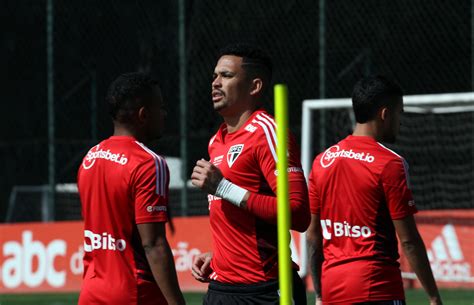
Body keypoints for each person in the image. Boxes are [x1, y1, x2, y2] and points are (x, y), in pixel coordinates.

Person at [190, 43, 310, 305]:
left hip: (265, 291)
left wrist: (223, 188)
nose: (215, 83)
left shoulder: (268, 132)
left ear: (255, 86)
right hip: (221, 287)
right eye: (214, 76)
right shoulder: (216, 141)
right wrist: (219, 257)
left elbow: (298, 213)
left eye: (226, 76)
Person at [306, 75, 443, 305]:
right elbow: (408, 241)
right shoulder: (390, 163)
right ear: (385, 114)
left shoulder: (322, 161)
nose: (401, 121)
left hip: (332, 288)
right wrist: (433, 297)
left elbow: (313, 235)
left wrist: (319, 293)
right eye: (400, 112)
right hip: (376, 287)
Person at [77, 72, 185, 305]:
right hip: (134, 292)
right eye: (161, 107)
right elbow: (153, 244)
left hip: (91, 291)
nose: (165, 114)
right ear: (143, 115)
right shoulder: (148, 162)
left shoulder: (90, 157)